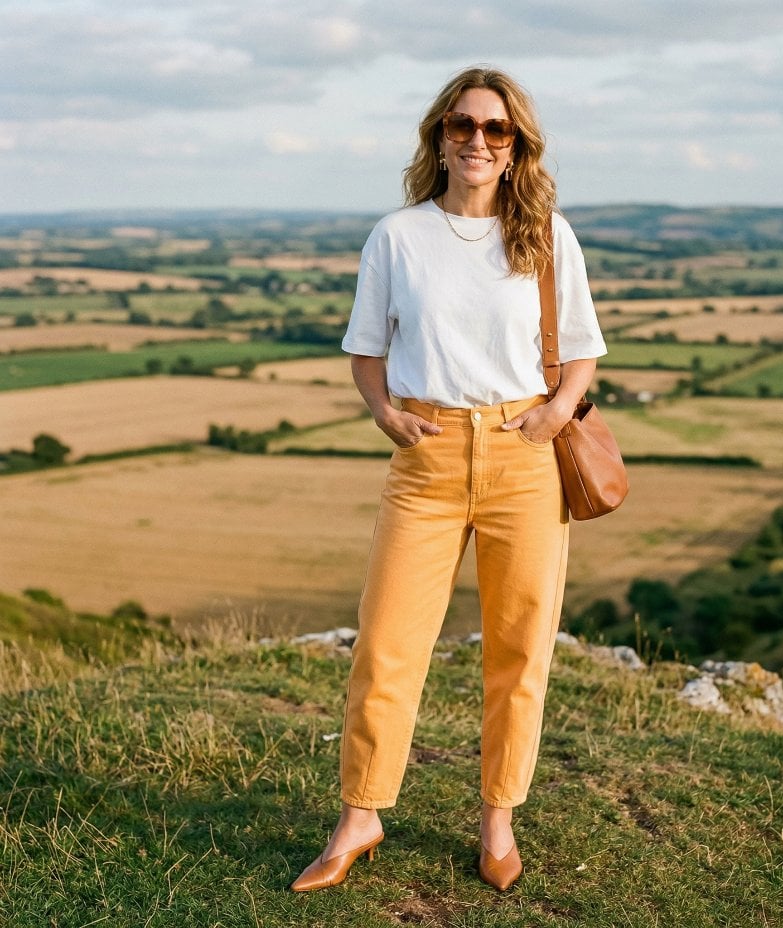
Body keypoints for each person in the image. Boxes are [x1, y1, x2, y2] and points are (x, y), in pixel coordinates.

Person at [290, 65, 606, 894]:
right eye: (461, 125)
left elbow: (581, 352)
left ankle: (498, 820)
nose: (477, 140)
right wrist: (385, 414)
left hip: (523, 457)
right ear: (439, 137)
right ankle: (361, 816)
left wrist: (551, 417)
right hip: (425, 459)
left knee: (519, 649)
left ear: (517, 146)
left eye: (496, 129)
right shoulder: (398, 236)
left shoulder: (547, 235)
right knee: (387, 645)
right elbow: (366, 349)